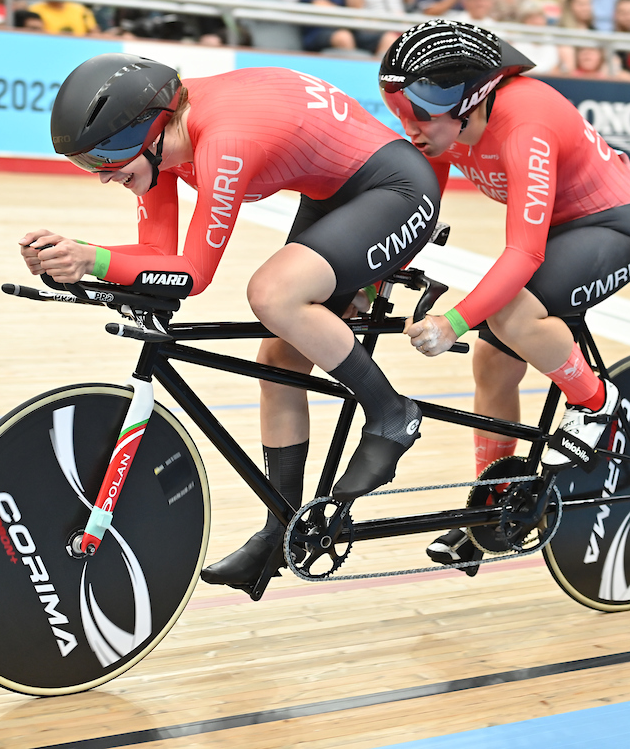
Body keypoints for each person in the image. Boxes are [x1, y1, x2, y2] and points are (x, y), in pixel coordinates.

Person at [24, 54, 440, 588]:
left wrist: (93, 259)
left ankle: (391, 412)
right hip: (337, 195)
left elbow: (193, 274)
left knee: (272, 294)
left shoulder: (224, 137)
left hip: (398, 190)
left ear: (149, 129)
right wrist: (77, 259)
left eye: (106, 158)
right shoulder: (163, 142)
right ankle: (281, 527)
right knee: (277, 363)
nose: (103, 177)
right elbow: (156, 256)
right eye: (88, 165)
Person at [378, 20, 630, 569]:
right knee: (493, 367)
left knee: (508, 316)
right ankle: (491, 510)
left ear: (475, 96)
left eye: (422, 110)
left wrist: (454, 321)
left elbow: (524, 254)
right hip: (564, 234)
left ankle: (599, 404)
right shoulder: (443, 128)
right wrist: (371, 281)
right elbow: (415, 211)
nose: (410, 125)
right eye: (399, 108)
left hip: (617, 227)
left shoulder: (524, 123)